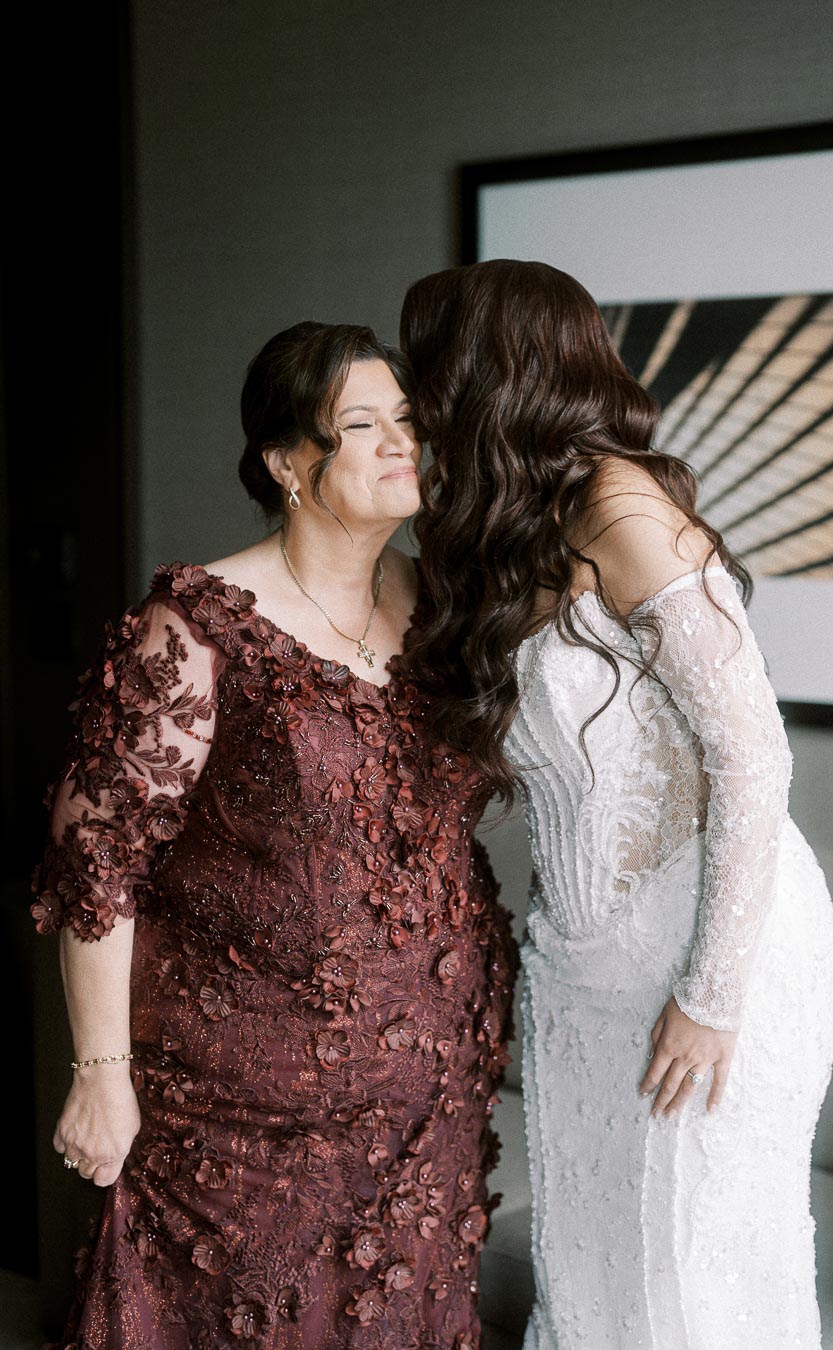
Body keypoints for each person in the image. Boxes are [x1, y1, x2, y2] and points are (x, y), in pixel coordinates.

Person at [32, 320, 517, 1349]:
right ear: (288, 462)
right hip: (241, 1109)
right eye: (361, 425)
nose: (402, 443)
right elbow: (96, 861)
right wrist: (99, 1075)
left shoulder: (443, 605)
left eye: (408, 420)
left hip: (429, 1098)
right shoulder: (203, 621)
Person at [400, 261, 833, 1350]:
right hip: (583, 966)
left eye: (428, 362)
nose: (415, 390)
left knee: (692, 1280)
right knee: (598, 1280)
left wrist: (711, 993)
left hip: (710, 949)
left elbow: (754, 759)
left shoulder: (621, 504)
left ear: (482, 369)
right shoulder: (499, 530)